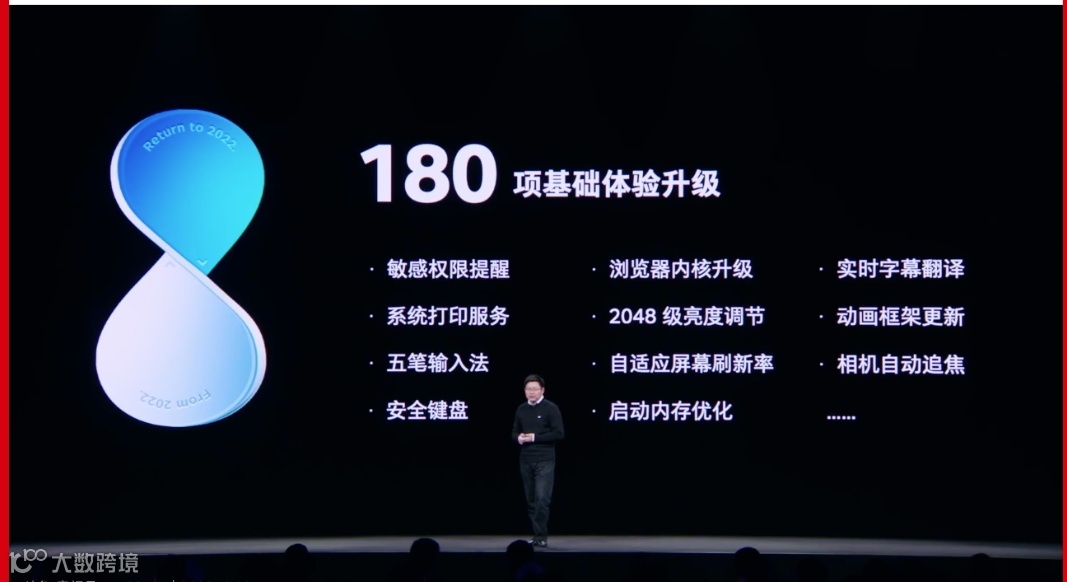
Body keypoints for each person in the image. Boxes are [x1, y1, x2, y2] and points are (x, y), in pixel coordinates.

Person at [511, 374, 564, 548]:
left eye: (535, 389)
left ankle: (541, 536)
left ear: (542, 390)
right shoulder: (521, 409)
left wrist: (534, 437)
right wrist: (519, 438)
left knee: (542, 498)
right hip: (526, 459)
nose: (531, 392)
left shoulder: (551, 408)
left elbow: (559, 433)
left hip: (545, 459)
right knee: (531, 500)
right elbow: (514, 432)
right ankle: (537, 535)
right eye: (528, 389)